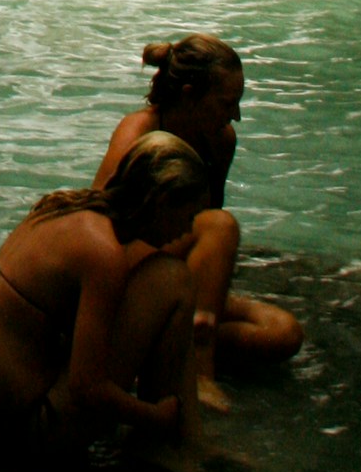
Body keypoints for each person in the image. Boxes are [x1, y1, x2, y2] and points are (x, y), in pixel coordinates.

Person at [0, 131, 212, 463]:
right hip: (36, 435)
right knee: (173, 281)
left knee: (158, 278)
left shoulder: (69, 209)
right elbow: (86, 389)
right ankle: (179, 445)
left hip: (10, 422)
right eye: (187, 217)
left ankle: (184, 435)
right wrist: (152, 415)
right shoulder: (103, 253)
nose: (187, 231)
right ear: (160, 204)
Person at [94, 35, 303, 410]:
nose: (236, 115)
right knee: (220, 226)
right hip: (131, 273)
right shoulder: (138, 133)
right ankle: (200, 374)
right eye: (227, 103)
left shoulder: (220, 141)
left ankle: (170, 342)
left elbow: (198, 225)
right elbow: (96, 226)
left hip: (179, 278)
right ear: (190, 94)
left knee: (284, 334)